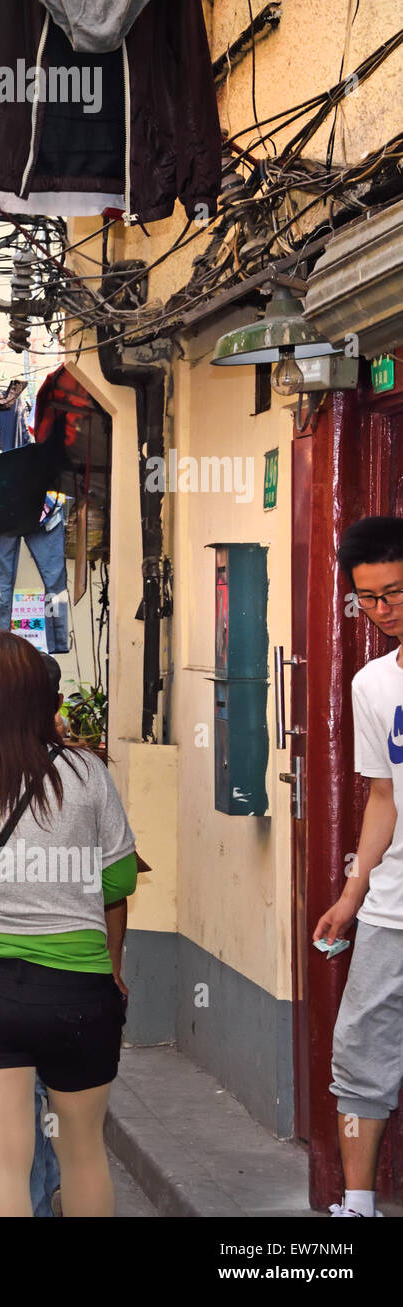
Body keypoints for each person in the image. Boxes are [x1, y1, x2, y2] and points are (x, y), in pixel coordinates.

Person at [0, 630, 137, 1217]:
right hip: (78, 991)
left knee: (3, 1161)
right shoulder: (86, 774)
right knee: (84, 1152)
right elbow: (119, 883)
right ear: (41, 695)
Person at [318, 516, 403, 1218]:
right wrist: (352, 894)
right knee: (358, 1050)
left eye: (396, 593)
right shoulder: (373, 683)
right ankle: (359, 1205)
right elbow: (382, 797)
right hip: (391, 907)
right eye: (370, 599)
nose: (384, 610)